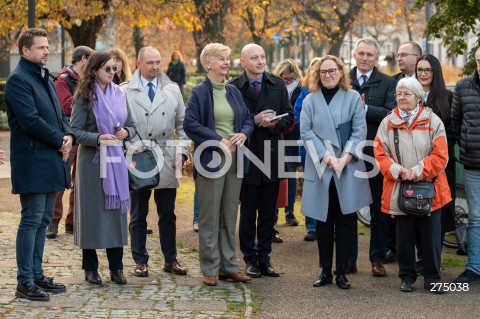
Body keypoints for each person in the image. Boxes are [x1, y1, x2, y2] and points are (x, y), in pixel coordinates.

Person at [4, 28, 73, 301]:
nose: (47, 51)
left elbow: (59, 115)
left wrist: (68, 134)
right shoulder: (18, 80)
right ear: (25, 50)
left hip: (50, 158)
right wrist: (60, 140)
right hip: (33, 160)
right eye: (41, 47)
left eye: (47, 47)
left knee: (43, 219)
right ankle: (24, 281)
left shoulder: (44, 76)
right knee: (32, 219)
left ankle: (36, 274)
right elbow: (30, 120)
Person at [184, 43, 254, 286]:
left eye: (227, 58)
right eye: (221, 59)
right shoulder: (200, 92)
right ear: (208, 63)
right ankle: (210, 268)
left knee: (228, 214)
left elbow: (247, 119)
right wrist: (219, 140)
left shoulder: (233, 91)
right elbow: (190, 124)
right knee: (209, 215)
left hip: (235, 158)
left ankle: (229, 266)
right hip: (212, 158)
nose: (226, 62)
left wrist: (243, 134)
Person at [301, 55, 371, 290]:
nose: (328, 75)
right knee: (322, 221)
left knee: (346, 221)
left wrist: (345, 157)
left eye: (332, 71)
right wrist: (327, 156)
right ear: (317, 75)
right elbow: (306, 132)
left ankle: (341, 271)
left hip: (347, 166)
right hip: (322, 165)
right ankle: (324, 271)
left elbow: (359, 131)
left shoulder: (352, 98)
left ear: (341, 73)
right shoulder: (310, 100)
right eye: (323, 72)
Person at [374, 77, 451, 293]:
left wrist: (416, 172)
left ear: (418, 97)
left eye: (407, 93)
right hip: (400, 187)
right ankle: (406, 277)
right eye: (399, 93)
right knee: (404, 238)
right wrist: (400, 172)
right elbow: (380, 155)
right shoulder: (387, 122)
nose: (402, 97)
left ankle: (432, 278)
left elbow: (441, 155)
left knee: (431, 238)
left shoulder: (433, 121)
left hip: (430, 188)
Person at [122, 46, 189, 278]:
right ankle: (140, 261)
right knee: (138, 213)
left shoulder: (172, 90)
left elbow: (183, 125)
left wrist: (182, 152)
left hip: (166, 156)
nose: (155, 67)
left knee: (168, 213)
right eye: (150, 63)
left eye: (158, 62)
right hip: (138, 157)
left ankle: (170, 259)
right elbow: (119, 127)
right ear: (138, 63)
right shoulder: (124, 92)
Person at [70, 51, 135, 286]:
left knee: (116, 215)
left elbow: (131, 125)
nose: (111, 73)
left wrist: (126, 132)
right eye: (107, 69)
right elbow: (75, 130)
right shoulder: (84, 96)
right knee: (92, 216)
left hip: (116, 162)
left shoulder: (120, 94)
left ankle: (116, 268)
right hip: (92, 164)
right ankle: (90, 268)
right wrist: (98, 138)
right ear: (95, 70)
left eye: (114, 69)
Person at [230, 43, 294, 278]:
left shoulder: (277, 84)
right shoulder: (234, 87)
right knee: (248, 212)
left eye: (263, 57)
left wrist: (277, 123)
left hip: (272, 153)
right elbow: (231, 124)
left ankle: (264, 257)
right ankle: (249, 259)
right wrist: (254, 121)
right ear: (243, 61)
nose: (260, 61)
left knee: (268, 212)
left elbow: (290, 118)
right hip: (247, 156)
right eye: (254, 58)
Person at [349, 36, 397, 276]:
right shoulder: (343, 80)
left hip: (377, 155)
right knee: (347, 209)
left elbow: (391, 114)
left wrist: (365, 108)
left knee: (379, 209)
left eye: (369, 54)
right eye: (361, 54)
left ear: (376, 58)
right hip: (348, 155)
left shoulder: (388, 82)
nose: (365, 58)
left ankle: (377, 259)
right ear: (354, 55)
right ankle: (349, 259)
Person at [47, 45, 94, 239]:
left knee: (79, 182)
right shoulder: (63, 79)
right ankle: (53, 221)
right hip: (66, 135)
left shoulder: (86, 80)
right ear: (83, 59)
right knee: (60, 180)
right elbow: (66, 107)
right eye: (90, 61)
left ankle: (72, 220)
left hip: (82, 134)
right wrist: (88, 100)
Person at [416, 54, 456, 242]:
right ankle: (420, 257)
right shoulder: (408, 95)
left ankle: (434, 258)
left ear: (435, 72)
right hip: (414, 163)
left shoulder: (447, 97)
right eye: (420, 70)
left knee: (437, 212)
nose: (423, 74)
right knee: (415, 207)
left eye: (427, 70)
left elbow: (452, 130)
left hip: (440, 164)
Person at [451, 47, 480, 284]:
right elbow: (455, 123)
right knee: (476, 218)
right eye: (479, 60)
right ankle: (474, 268)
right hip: (473, 164)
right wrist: (468, 144)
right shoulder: (463, 87)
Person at [272, 59, 303, 228]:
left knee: (291, 173)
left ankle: (289, 211)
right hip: (277, 133)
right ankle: (275, 212)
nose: (289, 82)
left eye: (291, 78)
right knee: (276, 175)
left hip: (293, 135)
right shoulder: (274, 87)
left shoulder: (300, 90)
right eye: (285, 79)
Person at [294, 57, 321, 241]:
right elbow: (298, 118)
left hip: (331, 149)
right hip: (309, 149)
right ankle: (312, 226)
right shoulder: (303, 94)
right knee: (311, 189)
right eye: (316, 70)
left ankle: (330, 226)